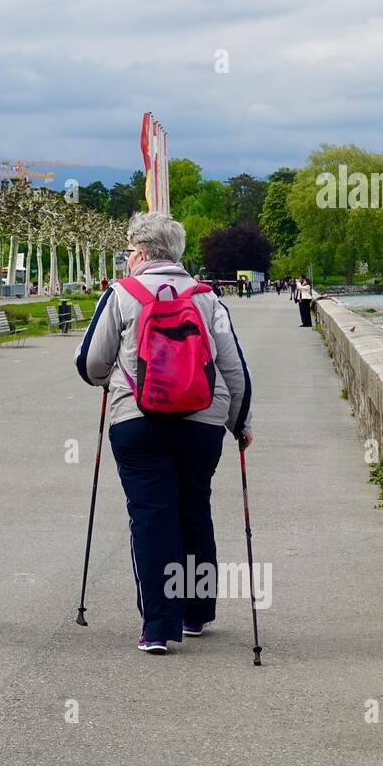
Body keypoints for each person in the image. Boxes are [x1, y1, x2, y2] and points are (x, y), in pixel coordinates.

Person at [75, 213, 252, 655]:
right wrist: (240, 423)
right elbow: (234, 369)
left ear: (139, 253)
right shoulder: (206, 298)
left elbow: (91, 364)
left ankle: (158, 627)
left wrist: (114, 379)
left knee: (152, 518)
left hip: (138, 420)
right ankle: (196, 613)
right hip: (203, 422)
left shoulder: (122, 293)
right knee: (195, 510)